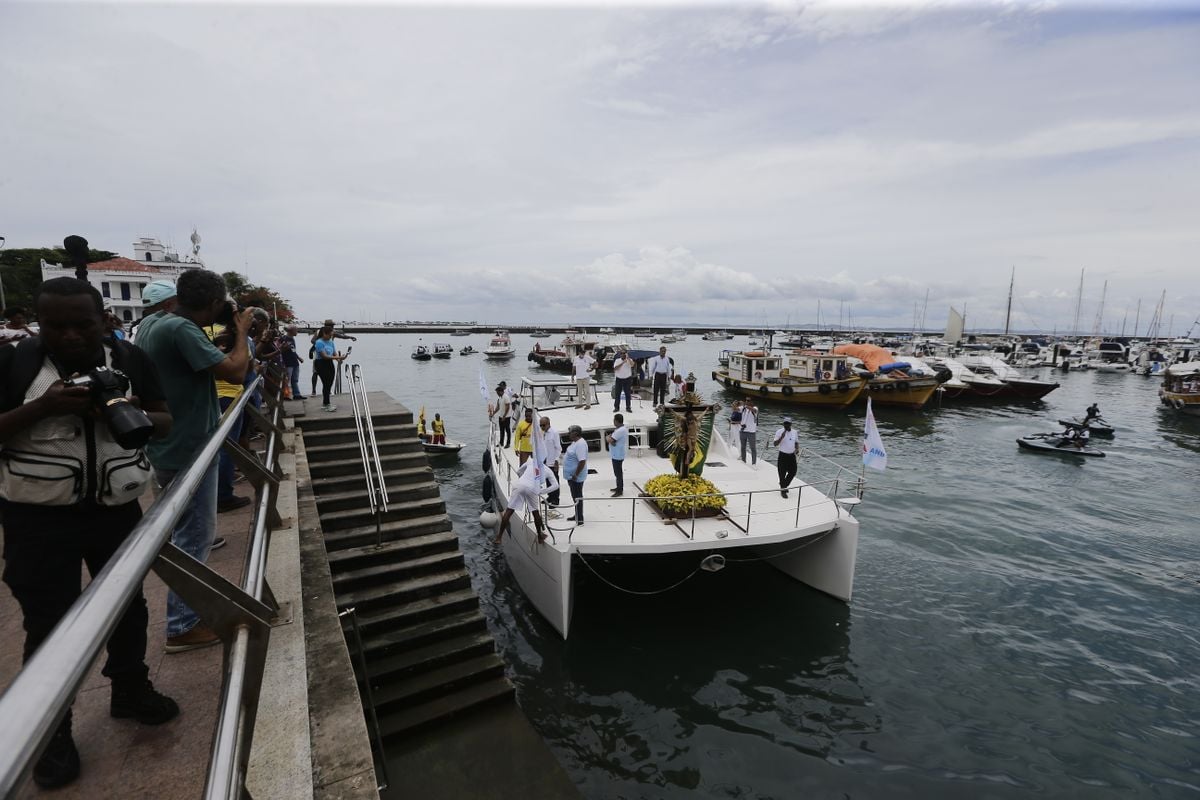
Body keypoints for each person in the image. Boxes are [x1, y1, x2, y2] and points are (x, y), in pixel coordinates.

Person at [0, 277, 178, 789]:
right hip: (37, 516)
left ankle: (130, 688)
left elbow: (165, 421)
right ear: (39, 321)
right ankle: (51, 731)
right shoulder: (15, 363)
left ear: (104, 320)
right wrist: (44, 407)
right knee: (48, 624)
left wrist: (127, 410)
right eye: (57, 325)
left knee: (128, 606)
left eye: (83, 323)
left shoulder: (129, 359)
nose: (71, 335)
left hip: (115, 507)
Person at [137, 269, 256, 653]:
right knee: (196, 535)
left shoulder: (155, 322)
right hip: (188, 444)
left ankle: (184, 618)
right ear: (214, 302)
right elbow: (237, 373)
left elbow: (195, 363)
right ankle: (182, 625)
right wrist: (240, 331)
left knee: (183, 528)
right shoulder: (181, 329)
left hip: (168, 442)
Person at [494, 458, 557, 545]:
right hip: (533, 489)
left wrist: (522, 480)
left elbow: (519, 471)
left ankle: (499, 537)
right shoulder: (548, 470)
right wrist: (541, 491)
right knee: (535, 513)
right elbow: (556, 486)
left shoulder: (531, 461)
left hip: (519, 485)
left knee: (509, 511)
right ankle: (540, 536)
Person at [312, 327, 346, 411]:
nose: (331, 336)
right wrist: (338, 357)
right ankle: (326, 404)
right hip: (321, 363)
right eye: (329, 335)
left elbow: (334, 352)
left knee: (330, 382)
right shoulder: (319, 342)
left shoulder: (330, 342)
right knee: (326, 383)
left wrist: (339, 360)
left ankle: (327, 402)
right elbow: (324, 356)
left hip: (329, 363)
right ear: (324, 333)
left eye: (331, 335)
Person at [563, 424, 588, 524]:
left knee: (577, 497)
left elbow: (582, 461)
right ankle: (577, 514)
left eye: (570, 432)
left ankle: (580, 518)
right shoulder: (575, 442)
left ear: (576, 433)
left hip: (576, 478)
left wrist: (576, 475)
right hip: (571, 476)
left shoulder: (581, 444)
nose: (568, 434)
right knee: (575, 497)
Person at [540, 415, 562, 513]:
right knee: (547, 480)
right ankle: (550, 496)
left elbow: (558, 448)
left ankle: (556, 499)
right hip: (545, 461)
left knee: (554, 480)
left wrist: (557, 461)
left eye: (543, 425)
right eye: (540, 425)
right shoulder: (543, 433)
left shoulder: (554, 433)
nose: (542, 427)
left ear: (548, 424)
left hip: (552, 461)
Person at [773, 417, 799, 498]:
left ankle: (783, 485)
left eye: (788, 423)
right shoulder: (779, 431)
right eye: (785, 423)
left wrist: (797, 449)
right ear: (783, 424)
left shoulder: (794, 432)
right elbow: (775, 444)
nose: (786, 425)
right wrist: (781, 437)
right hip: (783, 455)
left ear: (791, 424)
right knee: (782, 473)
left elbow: (796, 442)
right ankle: (783, 490)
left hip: (791, 455)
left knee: (793, 472)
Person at [280, 324, 305, 399]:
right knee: (287, 379)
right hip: (288, 362)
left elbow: (293, 350)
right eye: (296, 330)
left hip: (294, 362)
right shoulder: (284, 338)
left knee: (295, 379)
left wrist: (298, 357)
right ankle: (285, 395)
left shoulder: (292, 339)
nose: (297, 332)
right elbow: (280, 350)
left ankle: (296, 394)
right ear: (291, 331)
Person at [606, 413, 628, 496]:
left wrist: (608, 438)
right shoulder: (620, 429)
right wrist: (610, 439)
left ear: (617, 421)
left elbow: (610, 440)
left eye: (614, 420)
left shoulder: (620, 430)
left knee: (618, 473)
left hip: (617, 455)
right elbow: (612, 440)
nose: (613, 422)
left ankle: (619, 490)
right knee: (617, 473)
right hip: (617, 454)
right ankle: (618, 487)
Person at [612, 348, 634, 413]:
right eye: (621, 353)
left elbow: (632, 364)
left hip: (627, 379)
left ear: (626, 354)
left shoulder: (629, 360)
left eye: (624, 353)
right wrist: (622, 363)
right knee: (617, 394)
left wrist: (628, 359)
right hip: (619, 379)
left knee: (627, 394)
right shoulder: (617, 360)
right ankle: (616, 407)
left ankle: (628, 407)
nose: (622, 354)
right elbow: (615, 368)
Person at [489, 383, 512, 447]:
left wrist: (504, 416)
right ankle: (501, 442)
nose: (497, 394)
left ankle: (508, 443)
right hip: (501, 416)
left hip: (506, 417)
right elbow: (498, 407)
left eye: (497, 392)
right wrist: (493, 413)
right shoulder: (499, 398)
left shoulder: (506, 397)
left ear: (501, 391)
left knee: (507, 430)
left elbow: (508, 407)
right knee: (502, 430)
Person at [740, 397, 759, 465]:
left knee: (753, 448)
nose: (746, 401)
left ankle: (753, 463)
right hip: (743, 431)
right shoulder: (744, 409)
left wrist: (746, 405)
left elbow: (753, 410)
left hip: (751, 432)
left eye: (748, 400)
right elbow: (735, 409)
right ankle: (743, 461)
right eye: (746, 400)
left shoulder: (755, 408)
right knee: (742, 447)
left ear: (752, 402)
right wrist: (735, 404)